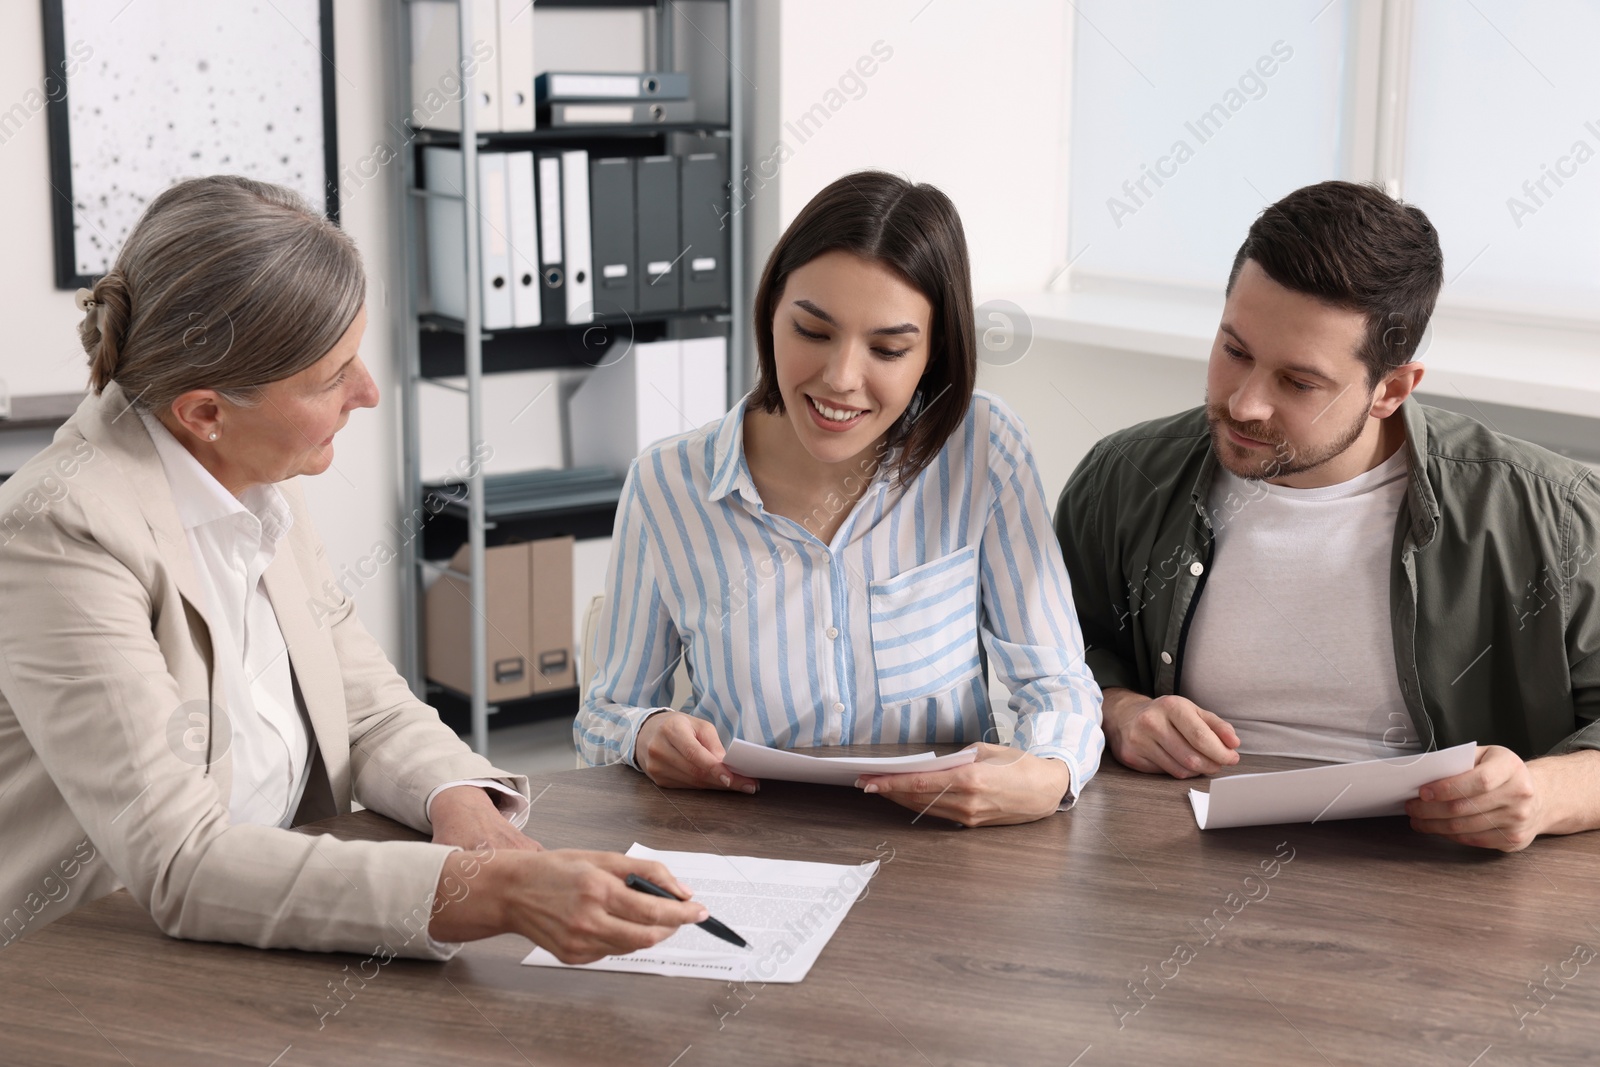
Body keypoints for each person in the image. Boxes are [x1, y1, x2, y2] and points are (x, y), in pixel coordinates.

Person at [0, 176, 704, 961]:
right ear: (204, 412)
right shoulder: (58, 532)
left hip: (263, 939)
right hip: (96, 973)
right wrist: (493, 893)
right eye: (333, 377)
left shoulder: (254, 474)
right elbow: (180, 859)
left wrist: (458, 797)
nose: (368, 392)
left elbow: (362, 702)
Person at [1055, 180, 1600, 853]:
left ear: (1391, 390)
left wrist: (1545, 794)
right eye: (1235, 351)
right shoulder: (1123, 479)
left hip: (1440, 889)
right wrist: (1117, 708)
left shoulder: (1555, 513)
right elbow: (1050, 649)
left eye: (1298, 381)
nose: (1246, 403)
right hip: (1168, 858)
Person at [575, 171, 1104, 826]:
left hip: (945, 853)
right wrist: (643, 733)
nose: (841, 379)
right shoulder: (665, 485)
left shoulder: (984, 449)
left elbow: (1057, 683)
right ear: (771, 311)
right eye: (813, 332)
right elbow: (603, 715)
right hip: (751, 850)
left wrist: (1048, 773)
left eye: (887, 348)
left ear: (934, 354)